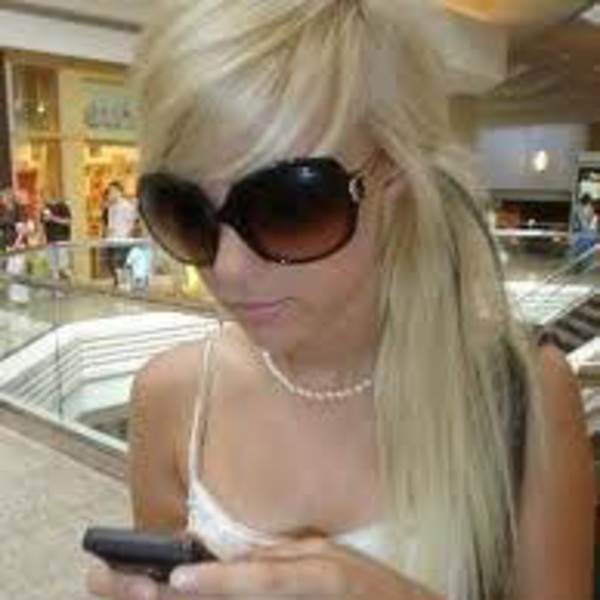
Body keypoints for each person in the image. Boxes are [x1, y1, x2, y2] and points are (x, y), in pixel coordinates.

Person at [88, 2, 595, 600]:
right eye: (184, 211)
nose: (227, 268)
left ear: (395, 185)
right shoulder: (170, 399)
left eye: (290, 207)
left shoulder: (521, 393)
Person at [104, 180, 137, 287]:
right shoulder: (111, 206)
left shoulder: (126, 205)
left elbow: (132, 222)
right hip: (111, 239)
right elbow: (110, 223)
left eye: (112, 191)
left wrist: (127, 236)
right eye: (109, 191)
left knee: (119, 262)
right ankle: (119, 282)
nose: (110, 193)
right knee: (110, 262)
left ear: (119, 192)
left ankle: (124, 284)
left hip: (122, 239)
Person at [41, 193, 72, 279]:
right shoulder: (45, 208)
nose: (44, 197)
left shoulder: (63, 206)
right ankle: (56, 285)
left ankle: (66, 284)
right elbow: (42, 224)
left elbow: (68, 221)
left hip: (62, 240)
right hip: (50, 241)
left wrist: (53, 218)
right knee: (53, 268)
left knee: (64, 267)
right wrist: (42, 238)